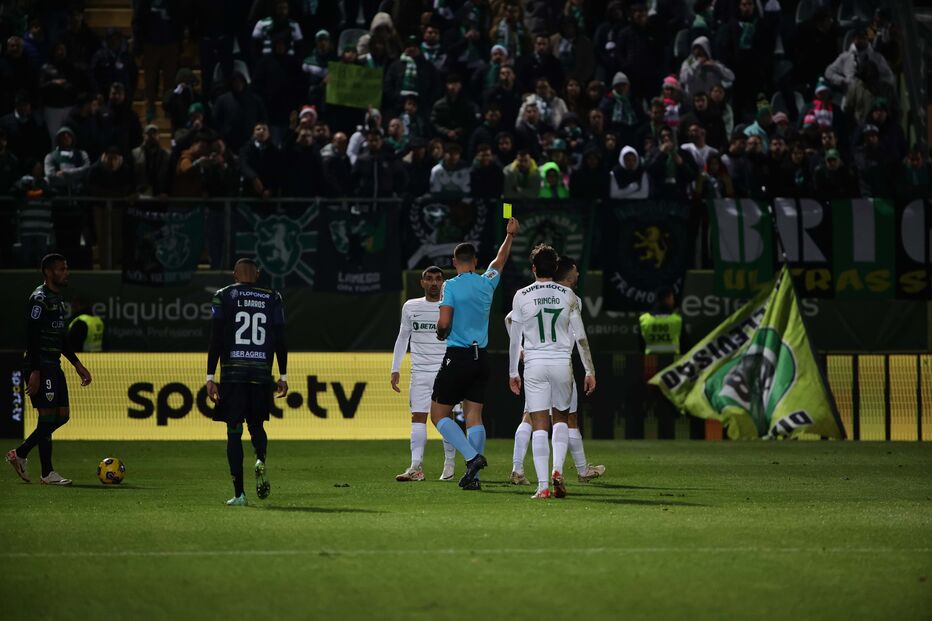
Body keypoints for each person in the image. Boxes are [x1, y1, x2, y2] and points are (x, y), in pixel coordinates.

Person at [430, 217, 521, 491]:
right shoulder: (487, 283)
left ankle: (472, 458)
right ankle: (474, 479)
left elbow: (444, 324)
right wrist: (510, 235)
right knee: (474, 417)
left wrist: (439, 331)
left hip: (457, 356)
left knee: (438, 415)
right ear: (475, 261)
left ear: (454, 262)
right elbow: (500, 261)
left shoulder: (451, 286)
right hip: (482, 357)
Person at [507, 245, 596, 499]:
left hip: (534, 365)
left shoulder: (521, 295)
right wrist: (589, 370)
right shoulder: (568, 295)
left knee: (539, 425)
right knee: (561, 420)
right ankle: (558, 470)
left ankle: (543, 485)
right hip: (561, 364)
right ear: (555, 268)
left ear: (533, 268)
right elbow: (580, 338)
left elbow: (515, 339)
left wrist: (513, 371)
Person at [206, 258, 288, 506]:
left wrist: (210, 377)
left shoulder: (223, 296)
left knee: (233, 431)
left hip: (233, 374)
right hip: (261, 373)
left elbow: (216, 338)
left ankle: (239, 494)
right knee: (257, 425)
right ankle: (260, 457)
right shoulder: (273, 297)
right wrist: (283, 376)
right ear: (258, 274)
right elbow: (280, 339)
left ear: (234, 274)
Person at [7, 254, 93, 486]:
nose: (67, 272)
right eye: (62, 269)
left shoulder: (56, 298)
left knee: (62, 416)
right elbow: (32, 336)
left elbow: (60, 336)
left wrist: (76, 364)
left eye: (66, 268)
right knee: (47, 417)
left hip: (54, 364)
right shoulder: (39, 299)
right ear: (48, 272)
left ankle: (22, 453)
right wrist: (35, 370)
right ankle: (47, 472)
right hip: (41, 364)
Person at [390, 266, 457, 482]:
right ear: (422, 283)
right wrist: (395, 368)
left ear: (443, 283)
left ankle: (449, 464)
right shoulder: (411, 307)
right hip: (419, 373)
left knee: (447, 419)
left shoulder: (449, 307)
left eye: (438, 279)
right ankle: (416, 467)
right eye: (429, 279)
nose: (434, 283)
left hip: (445, 372)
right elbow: (402, 338)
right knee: (418, 417)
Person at [638, 286, 681, 438]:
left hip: (651, 364)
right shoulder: (676, 320)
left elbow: (640, 344)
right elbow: (685, 343)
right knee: (668, 402)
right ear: (667, 298)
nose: (673, 300)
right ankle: (667, 434)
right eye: (672, 297)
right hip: (671, 365)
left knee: (649, 401)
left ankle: (642, 435)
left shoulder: (645, 319)